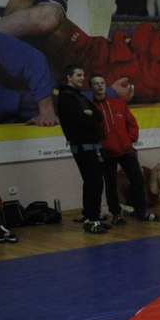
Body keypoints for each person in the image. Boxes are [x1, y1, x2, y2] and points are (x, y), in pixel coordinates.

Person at [0, 7, 160, 105]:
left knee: (35, 11)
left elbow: (142, 38)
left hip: (97, 59)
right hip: (97, 77)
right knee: (32, 41)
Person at [91, 75, 159, 224]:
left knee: (138, 180)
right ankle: (116, 214)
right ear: (91, 88)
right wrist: (101, 145)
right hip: (106, 153)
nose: (100, 86)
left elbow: (132, 123)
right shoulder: (91, 108)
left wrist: (130, 139)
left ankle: (142, 211)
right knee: (111, 185)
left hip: (126, 150)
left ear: (106, 85)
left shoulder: (119, 104)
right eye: (96, 84)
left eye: (102, 83)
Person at [56, 65, 108, 234]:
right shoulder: (65, 97)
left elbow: (99, 115)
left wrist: (90, 114)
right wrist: (91, 119)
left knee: (93, 181)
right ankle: (92, 220)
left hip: (91, 144)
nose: (82, 78)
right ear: (69, 77)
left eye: (83, 75)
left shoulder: (80, 96)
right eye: (78, 75)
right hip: (81, 145)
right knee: (94, 181)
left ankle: (90, 217)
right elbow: (79, 120)